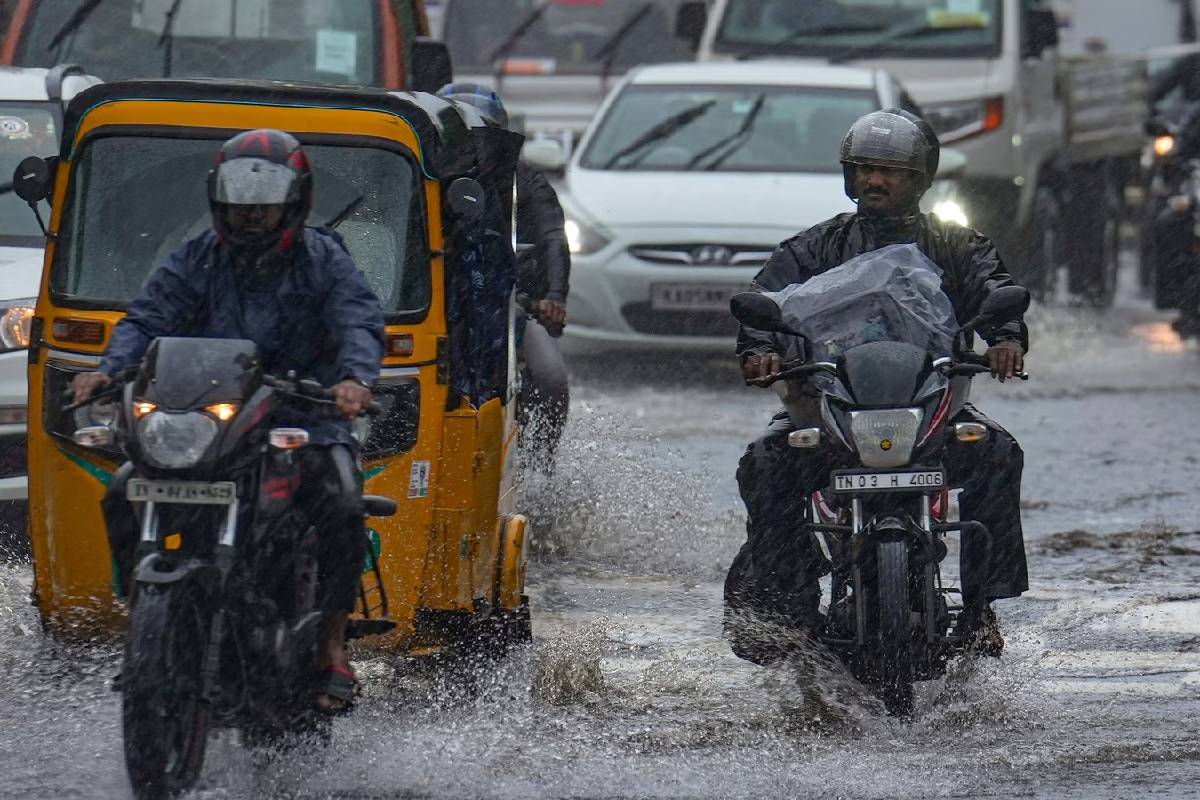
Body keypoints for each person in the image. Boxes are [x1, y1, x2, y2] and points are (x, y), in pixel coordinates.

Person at [71, 129, 385, 713]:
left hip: (305, 415)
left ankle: (332, 645)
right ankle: (145, 623)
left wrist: (355, 380)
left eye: (265, 198)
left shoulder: (325, 260)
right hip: (216, 421)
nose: (252, 212)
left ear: (295, 199)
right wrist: (109, 368)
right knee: (122, 490)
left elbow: (358, 321)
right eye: (240, 196)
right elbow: (147, 317)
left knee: (341, 498)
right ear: (219, 196)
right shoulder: (197, 258)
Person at [726, 109, 1028, 662]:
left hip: (929, 410)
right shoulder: (812, 248)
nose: (875, 181)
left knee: (997, 454)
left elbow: (996, 291)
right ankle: (792, 606)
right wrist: (760, 350)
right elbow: (763, 300)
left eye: (891, 171)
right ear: (849, 176)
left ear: (920, 180)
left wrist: (1006, 338)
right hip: (831, 411)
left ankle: (982, 609)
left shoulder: (959, 245)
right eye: (865, 169)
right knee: (766, 461)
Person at [436, 82, 571, 460]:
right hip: (437, 306)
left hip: (503, 304)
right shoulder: (424, 177)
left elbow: (552, 238)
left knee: (550, 377)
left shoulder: (527, 182)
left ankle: (537, 461)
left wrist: (554, 297)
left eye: (480, 137)